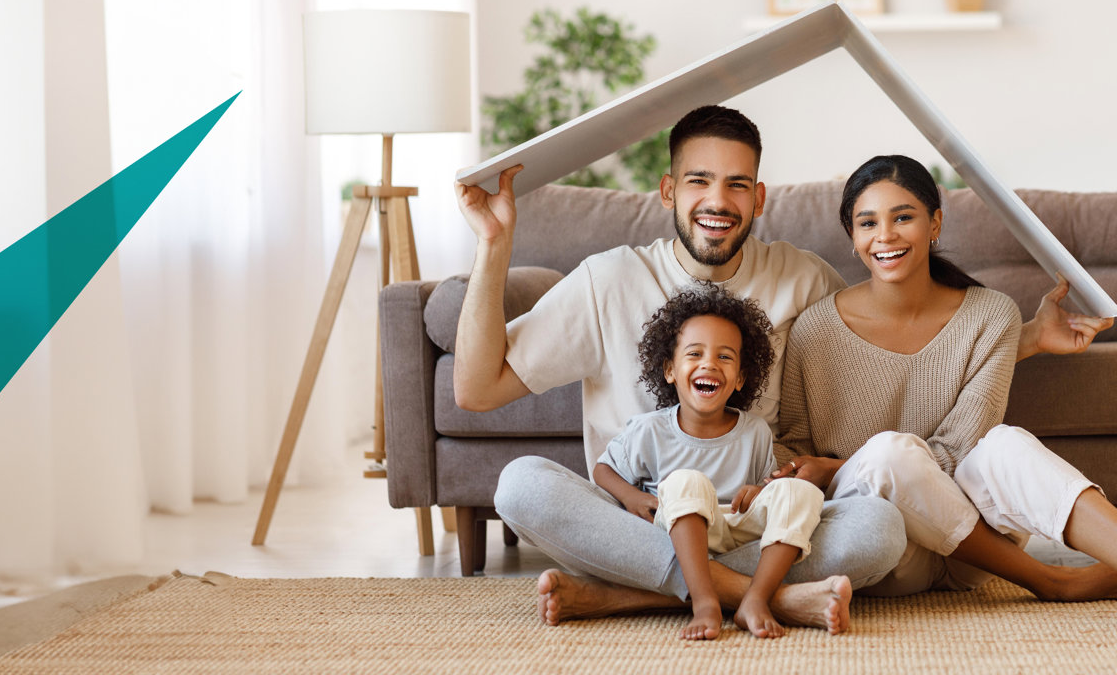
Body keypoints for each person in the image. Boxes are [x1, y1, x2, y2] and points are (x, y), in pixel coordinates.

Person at [453, 105, 1110, 628]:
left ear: (760, 197)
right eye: (699, 181)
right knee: (521, 487)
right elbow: (477, 389)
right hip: (640, 528)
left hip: (760, 526)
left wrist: (1021, 337)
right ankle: (764, 597)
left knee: (877, 528)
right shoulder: (607, 281)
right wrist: (494, 245)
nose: (718, 200)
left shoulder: (803, 281)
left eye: (737, 184)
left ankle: (642, 595)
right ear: (668, 190)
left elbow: (895, 349)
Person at [773, 154, 1117, 601]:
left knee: (1004, 444)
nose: (885, 235)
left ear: (935, 223)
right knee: (888, 454)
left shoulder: (991, 314)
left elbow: (957, 452)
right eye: (868, 223)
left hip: (976, 550)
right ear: (853, 237)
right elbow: (794, 448)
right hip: (884, 542)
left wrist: (835, 465)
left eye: (903, 217)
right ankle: (1049, 580)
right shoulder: (815, 329)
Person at [596, 283, 834, 639]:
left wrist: (759, 491)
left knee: (800, 491)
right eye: (695, 353)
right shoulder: (649, 431)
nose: (709, 363)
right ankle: (705, 600)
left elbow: (766, 496)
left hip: (737, 531)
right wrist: (631, 497)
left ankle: (756, 598)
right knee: (685, 481)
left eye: (724, 357)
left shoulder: (755, 432)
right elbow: (603, 469)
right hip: (678, 530)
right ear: (670, 370)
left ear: (740, 378)